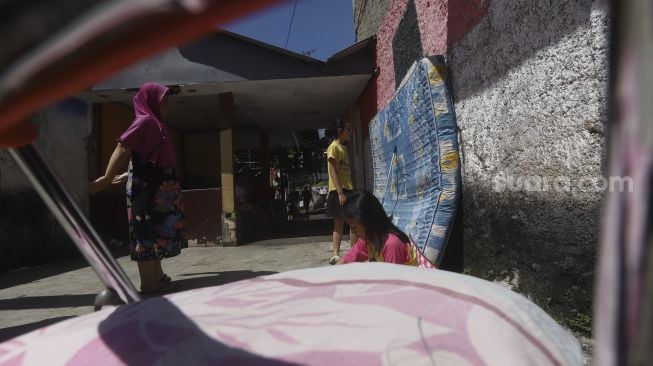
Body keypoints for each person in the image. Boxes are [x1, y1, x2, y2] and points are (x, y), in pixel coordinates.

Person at [89, 82, 184, 294]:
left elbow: (145, 156)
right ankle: (148, 284)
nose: (167, 106)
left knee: (156, 231)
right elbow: (123, 147)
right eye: (163, 101)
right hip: (148, 191)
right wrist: (106, 178)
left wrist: (128, 174)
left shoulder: (156, 123)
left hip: (157, 187)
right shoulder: (146, 121)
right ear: (149, 101)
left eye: (168, 101)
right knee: (145, 232)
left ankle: (157, 276)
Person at [337, 191, 417, 265]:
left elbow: (392, 278)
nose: (353, 232)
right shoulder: (368, 240)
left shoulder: (392, 245)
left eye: (354, 227)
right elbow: (346, 259)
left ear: (369, 222)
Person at [325, 119, 356, 265]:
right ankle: (336, 254)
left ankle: (354, 251)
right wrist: (340, 193)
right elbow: (333, 172)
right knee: (340, 222)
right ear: (340, 131)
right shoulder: (333, 147)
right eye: (348, 130)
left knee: (351, 221)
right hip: (339, 190)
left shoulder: (343, 148)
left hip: (347, 188)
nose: (350, 133)